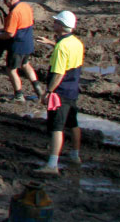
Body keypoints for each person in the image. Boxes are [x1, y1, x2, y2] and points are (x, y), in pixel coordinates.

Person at [35, 10, 84, 175]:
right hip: (72, 89)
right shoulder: (76, 42)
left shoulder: (62, 47)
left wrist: (48, 92)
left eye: (56, 22)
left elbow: (59, 73)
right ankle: (75, 155)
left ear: (62, 26)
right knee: (73, 123)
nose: (53, 24)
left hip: (60, 92)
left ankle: (52, 165)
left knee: (57, 128)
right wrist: (51, 43)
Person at [0, 0, 38, 101]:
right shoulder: (26, 6)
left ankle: (19, 95)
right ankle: (38, 90)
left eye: (5, 2)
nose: (5, 4)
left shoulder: (14, 12)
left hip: (17, 46)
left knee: (11, 70)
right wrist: (3, 30)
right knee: (25, 64)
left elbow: (10, 34)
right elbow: (21, 25)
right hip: (27, 43)